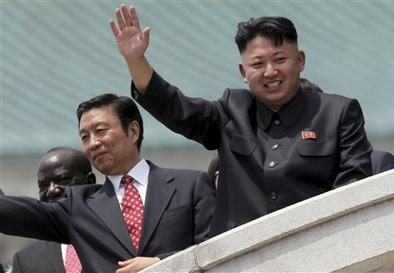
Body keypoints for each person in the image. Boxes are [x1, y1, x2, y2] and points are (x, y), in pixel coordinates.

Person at [110, 4, 373, 236]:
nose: (270, 72)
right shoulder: (231, 111)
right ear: (243, 72)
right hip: (241, 258)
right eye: (258, 64)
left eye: (280, 60)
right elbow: (177, 109)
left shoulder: (338, 112)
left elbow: (354, 188)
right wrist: (136, 60)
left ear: (300, 60)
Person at [0, 94, 215, 273]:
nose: (93, 143)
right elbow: (15, 212)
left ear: (133, 131)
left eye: (100, 131)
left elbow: (217, 251)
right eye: (85, 137)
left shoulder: (190, 185)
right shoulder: (79, 207)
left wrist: (163, 264)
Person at [12, 147, 96, 273]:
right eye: (43, 186)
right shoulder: (25, 260)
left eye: (62, 180)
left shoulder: (120, 236)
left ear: (90, 182)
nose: (51, 190)